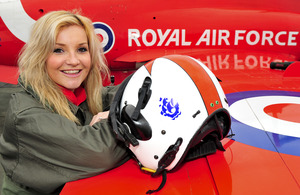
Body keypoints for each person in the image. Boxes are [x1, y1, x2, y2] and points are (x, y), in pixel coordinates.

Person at [0, 10, 129, 195]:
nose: (73, 60)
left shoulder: (81, 95)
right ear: (40, 56)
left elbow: (119, 93)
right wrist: (110, 120)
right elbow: (98, 153)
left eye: (82, 49)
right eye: (58, 50)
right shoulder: (26, 116)